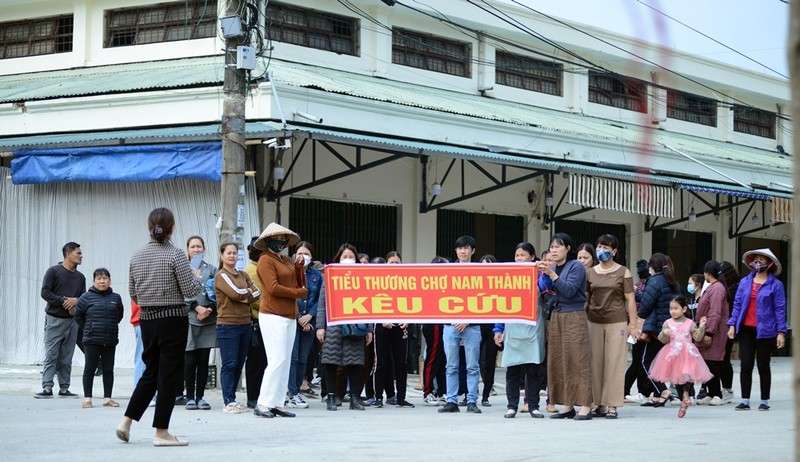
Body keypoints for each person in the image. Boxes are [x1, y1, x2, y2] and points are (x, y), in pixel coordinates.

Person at [117, 207, 202, 447]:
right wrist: (196, 275)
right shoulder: (175, 255)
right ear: (172, 228)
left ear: (149, 228)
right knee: (168, 376)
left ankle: (126, 421)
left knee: (150, 372)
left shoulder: (137, 255)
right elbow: (190, 290)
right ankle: (161, 432)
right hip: (172, 319)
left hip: (147, 320)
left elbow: (133, 292)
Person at [254, 223, 308, 418]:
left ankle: (277, 402)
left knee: (284, 361)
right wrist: (297, 293)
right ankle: (263, 403)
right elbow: (273, 288)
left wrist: (300, 269)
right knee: (276, 360)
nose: (282, 242)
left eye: (284, 239)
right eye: (278, 239)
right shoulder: (265, 260)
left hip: (289, 316)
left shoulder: (285, 260)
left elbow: (299, 284)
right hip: (272, 314)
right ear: (268, 240)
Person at [537, 232, 593, 420]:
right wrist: (543, 272)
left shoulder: (576, 266)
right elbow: (544, 290)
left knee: (578, 360)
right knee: (559, 361)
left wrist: (551, 273)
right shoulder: (554, 267)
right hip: (557, 316)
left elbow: (569, 290)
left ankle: (585, 405)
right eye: (552, 247)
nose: (554, 250)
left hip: (574, 315)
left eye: (558, 246)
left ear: (568, 249)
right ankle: (567, 405)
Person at [727, 249, 787, 411]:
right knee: (746, 364)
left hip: (766, 330)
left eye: (762, 260)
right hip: (746, 329)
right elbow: (737, 305)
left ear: (770, 264)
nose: (758, 262)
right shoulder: (745, 282)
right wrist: (732, 324)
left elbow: (780, 309)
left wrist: (781, 332)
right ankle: (745, 400)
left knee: (763, 365)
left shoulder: (776, 285)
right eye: (756, 259)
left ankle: (764, 401)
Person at [585, 234, 637, 419]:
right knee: (594, 363)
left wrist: (633, 323)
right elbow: (586, 298)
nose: (602, 250)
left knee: (614, 363)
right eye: (600, 246)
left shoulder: (624, 272)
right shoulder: (590, 272)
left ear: (614, 251)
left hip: (617, 321)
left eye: (606, 247)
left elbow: (630, 299)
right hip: (593, 320)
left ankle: (613, 404)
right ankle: (596, 403)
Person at [316, 243, 373, 411]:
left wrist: (369, 328)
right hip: (334, 325)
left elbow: (369, 303)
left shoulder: (363, 280)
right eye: (344, 257)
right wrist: (320, 327)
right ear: (338, 259)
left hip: (355, 325)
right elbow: (322, 304)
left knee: (355, 363)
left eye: (351, 257)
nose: (347, 260)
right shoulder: (329, 277)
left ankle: (355, 398)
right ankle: (331, 397)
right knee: (331, 362)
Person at [493, 243, 545, 419]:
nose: (519, 258)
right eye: (517, 255)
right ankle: (512, 406)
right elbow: (502, 304)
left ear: (532, 257)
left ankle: (533, 406)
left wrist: (543, 271)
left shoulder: (540, 276)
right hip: (513, 330)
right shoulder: (508, 278)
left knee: (533, 371)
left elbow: (547, 287)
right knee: (513, 371)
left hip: (532, 330)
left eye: (523, 255)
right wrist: (498, 329)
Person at [648, 296, 713, 418]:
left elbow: (697, 337)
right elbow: (663, 340)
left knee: (687, 375)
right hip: (673, 354)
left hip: (688, 353)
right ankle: (684, 402)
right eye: (671, 308)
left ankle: (686, 395)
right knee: (676, 379)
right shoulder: (667, 323)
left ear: (683, 309)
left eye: (675, 308)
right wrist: (664, 333)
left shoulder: (690, 323)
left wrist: (702, 326)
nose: (672, 311)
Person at [35, 242, 86, 399]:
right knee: (51, 354)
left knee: (67, 356)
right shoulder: (54, 271)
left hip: (72, 321)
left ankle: (64, 388)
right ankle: (47, 387)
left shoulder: (80, 277)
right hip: (54, 320)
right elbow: (45, 293)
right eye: (78, 253)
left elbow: (83, 297)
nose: (81, 256)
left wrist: (75, 302)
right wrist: (64, 300)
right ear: (68, 254)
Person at [215, 242, 260, 414]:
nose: (232, 256)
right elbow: (235, 293)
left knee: (239, 363)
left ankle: (232, 398)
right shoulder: (221, 275)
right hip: (228, 325)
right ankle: (228, 401)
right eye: (229, 253)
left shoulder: (242, 274)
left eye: (234, 253)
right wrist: (246, 292)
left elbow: (257, 294)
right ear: (222, 255)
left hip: (245, 324)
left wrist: (244, 294)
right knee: (230, 363)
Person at [439, 235, 482, 414]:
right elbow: (439, 295)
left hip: (472, 325)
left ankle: (472, 401)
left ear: (473, 250)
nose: (463, 251)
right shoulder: (447, 271)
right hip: (450, 324)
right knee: (451, 366)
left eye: (466, 248)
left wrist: (468, 320)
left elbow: (483, 298)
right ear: (456, 251)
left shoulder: (481, 272)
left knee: (472, 366)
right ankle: (451, 401)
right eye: (459, 248)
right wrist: (453, 319)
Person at [74, 268, 124, 409]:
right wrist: (89, 328)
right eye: (99, 279)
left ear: (109, 280)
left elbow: (119, 315)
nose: (102, 281)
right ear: (94, 281)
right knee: (89, 368)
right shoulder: (86, 297)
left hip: (110, 339)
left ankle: (108, 398)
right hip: (92, 339)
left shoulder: (116, 298)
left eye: (105, 278)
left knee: (108, 369)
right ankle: (87, 399)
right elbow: (78, 316)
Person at [637, 253, 680, 407]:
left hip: (656, 329)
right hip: (671, 326)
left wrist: (639, 315)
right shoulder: (672, 281)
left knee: (646, 361)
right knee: (662, 362)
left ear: (652, 267)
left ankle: (663, 391)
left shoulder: (655, 281)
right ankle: (659, 395)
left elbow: (646, 305)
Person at [373, 251, 414, 408]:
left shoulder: (406, 281)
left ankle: (401, 397)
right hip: (382, 326)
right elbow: (372, 301)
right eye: (392, 262)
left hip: (400, 326)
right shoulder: (378, 281)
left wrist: (408, 319)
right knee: (381, 363)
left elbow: (414, 302)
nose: (395, 265)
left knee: (401, 364)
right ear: (386, 264)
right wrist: (381, 319)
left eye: (398, 262)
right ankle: (378, 397)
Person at [183, 236, 217, 411]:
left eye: (199, 246)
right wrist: (197, 308)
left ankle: (200, 396)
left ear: (204, 249)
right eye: (193, 247)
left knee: (204, 359)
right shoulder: (182, 268)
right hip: (189, 318)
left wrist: (209, 308)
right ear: (187, 249)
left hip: (208, 319)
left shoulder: (211, 269)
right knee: (190, 360)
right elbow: (179, 293)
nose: (196, 250)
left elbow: (218, 291)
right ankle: (189, 397)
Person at [287, 241, 322, 409]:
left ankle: (297, 390)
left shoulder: (317, 275)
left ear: (312, 257)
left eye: (306, 254)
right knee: (292, 358)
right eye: (299, 253)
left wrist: (310, 316)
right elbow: (289, 296)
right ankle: (291, 392)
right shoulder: (289, 273)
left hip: (310, 321)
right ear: (294, 256)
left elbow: (320, 299)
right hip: (293, 319)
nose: (303, 257)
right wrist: (300, 317)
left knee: (303, 358)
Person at [694, 260, 729, 406]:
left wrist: (709, 332)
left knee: (712, 362)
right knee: (706, 362)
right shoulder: (713, 287)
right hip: (706, 329)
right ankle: (711, 392)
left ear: (708, 273)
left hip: (713, 332)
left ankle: (717, 394)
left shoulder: (717, 289)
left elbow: (715, 313)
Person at [422, 256, 450, 406]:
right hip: (433, 324)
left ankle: (442, 391)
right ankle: (428, 392)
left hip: (445, 324)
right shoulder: (429, 283)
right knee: (433, 358)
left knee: (443, 359)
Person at [243, 236, 267, 410]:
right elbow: (255, 298)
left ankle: (261, 395)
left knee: (264, 361)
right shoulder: (252, 271)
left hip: (267, 319)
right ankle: (253, 397)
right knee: (256, 362)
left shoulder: (263, 268)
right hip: (257, 320)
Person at [624, 259, 651, 403]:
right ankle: (636, 391)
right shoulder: (640, 285)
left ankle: (628, 390)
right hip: (640, 325)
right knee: (639, 361)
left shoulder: (642, 285)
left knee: (638, 361)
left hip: (641, 324)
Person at [478, 253, 500, 407]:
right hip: (476, 326)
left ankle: (486, 394)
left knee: (489, 362)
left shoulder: (499, 283)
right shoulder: (474, 282)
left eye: (489, 264)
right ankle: (470, 394)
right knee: (476, 361)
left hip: (493, 327)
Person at [718, 261, 740, 402]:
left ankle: (727, 389)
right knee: (721, 359)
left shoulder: (733, 289)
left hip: (729, 326)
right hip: (726, 326)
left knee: (724, 358)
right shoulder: (729, 288)